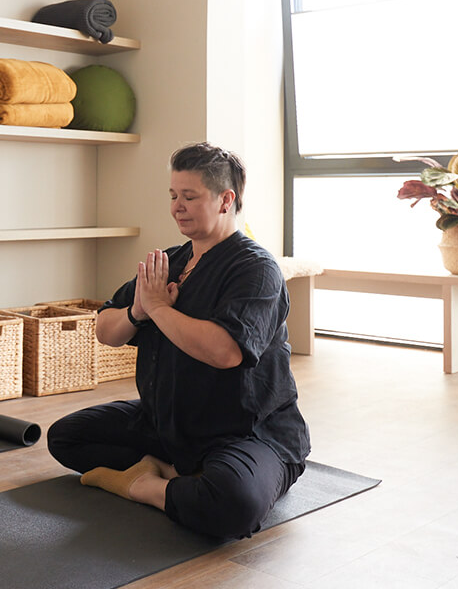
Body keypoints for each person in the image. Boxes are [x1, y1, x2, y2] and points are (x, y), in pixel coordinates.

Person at [47, 142, 310, 539]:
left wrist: (158, 309)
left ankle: (147, 486)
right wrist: (138, 311)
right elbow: (105, 330)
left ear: (226, 200)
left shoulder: (256, 270)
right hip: (168, 423)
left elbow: (225, 351)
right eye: (173, 195)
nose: (177, 206)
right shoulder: (168, 262)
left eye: (190, 197)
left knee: (232, 504)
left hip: (246, 431)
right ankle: (175, 473)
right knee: (65, 437)